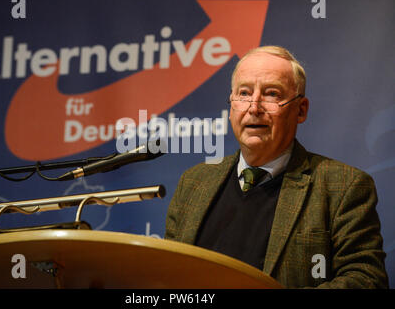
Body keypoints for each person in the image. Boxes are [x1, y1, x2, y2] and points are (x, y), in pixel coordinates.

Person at [164, 46, 388, 288]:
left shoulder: (343, 186)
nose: (254, 107)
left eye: (271, 94)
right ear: (231, 105)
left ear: (301, 110)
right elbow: (166, 274)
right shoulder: (194, 182)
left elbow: (366, 279)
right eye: (244, 93)